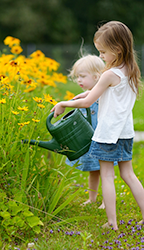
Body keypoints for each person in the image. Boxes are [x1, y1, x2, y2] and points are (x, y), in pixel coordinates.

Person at [51, 21, 144, 230]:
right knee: (128, 174)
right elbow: (102, 93)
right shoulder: (129, 69)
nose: (101, 56)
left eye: (103, 52)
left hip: (107, 134)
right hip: (125, 132)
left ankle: (112, 222)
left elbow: (88, 101)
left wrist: (63, 103)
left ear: (117, 49)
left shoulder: (110, 74)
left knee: (107, 176)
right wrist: (83, 94)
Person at [65, 54, 106, 209]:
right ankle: (92, 198)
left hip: (101, 139)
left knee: (105, 171)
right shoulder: (87, 95)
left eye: (82, 76)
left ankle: (105, 201)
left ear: (97, 77)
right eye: (77, 77)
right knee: (93, 171)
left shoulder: (102, 95)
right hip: (90, 140)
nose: (79, 80)